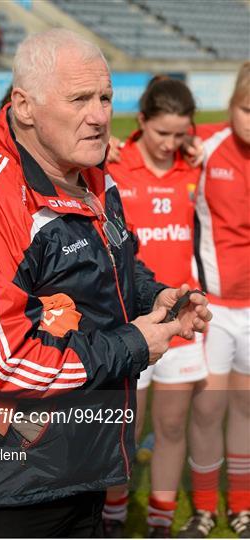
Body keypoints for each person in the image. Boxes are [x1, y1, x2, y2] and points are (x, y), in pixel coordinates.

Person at [0, 29, 211, 538]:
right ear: (25, 106)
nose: (99, 115)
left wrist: (154, 295)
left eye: (105, 97)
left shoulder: (93, 174)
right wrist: (134, 344)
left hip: (81, 464)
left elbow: (115, 265)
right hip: (12, 482)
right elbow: (2, 359)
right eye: (79, 99)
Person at [105, 77, 207, 538]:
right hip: (133, 320)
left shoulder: (194, 165)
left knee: (169, 427)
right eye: (161, 133)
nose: (170, 144)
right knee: (124, 428)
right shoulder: (112, 164)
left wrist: (197, 145)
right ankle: (111, 515)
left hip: (183, 319)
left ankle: (161, 522)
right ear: (140, 121)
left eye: (180, 135)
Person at [178, 62, 250, 539]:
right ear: (231, 106)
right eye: (248, 108)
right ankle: (204, 508)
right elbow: (156, 143)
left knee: (245, 409)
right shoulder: (207, 146)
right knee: (208, 410)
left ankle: (242, 507)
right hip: (216, 309)